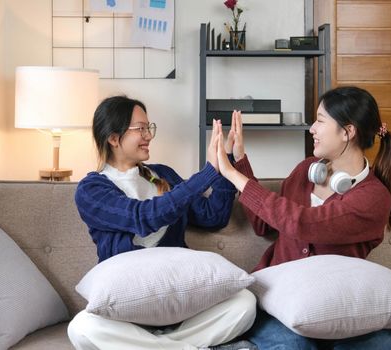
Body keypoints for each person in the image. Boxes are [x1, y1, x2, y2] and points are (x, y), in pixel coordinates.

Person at [214, 86, 391, 349]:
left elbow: (303, 223)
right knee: (297, 346)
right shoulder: (306, 170)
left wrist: (231, 174)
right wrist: (238, 160)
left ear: (347, 132)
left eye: (320, 120)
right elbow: (263, 225)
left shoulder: (374, 198)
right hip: (277, 301)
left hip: (335, 307)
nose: (312, 128)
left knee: (389, 342)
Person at [67, 95, 258, 350]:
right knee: (82, 328)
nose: (148, 135)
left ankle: (157, 346)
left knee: (244, 303)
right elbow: (143, 217)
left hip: (179, 298)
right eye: (140, 129)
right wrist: (207, 173)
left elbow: (213, 217)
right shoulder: (92, 189)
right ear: (113, 138)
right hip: (128, 307)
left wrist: (225, 163)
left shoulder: (163, 175)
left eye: (149, 127)